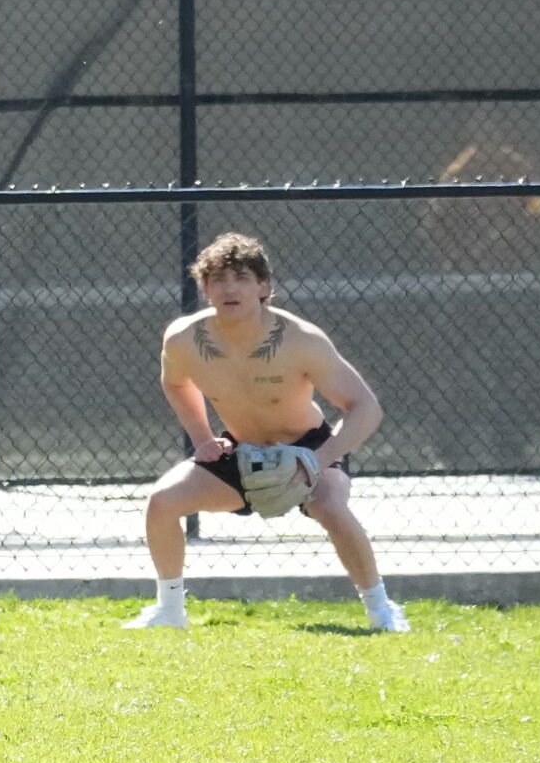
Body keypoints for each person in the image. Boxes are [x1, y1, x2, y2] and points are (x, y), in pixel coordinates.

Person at [128, 230, 404, 633]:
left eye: (241, 277)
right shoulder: (184, 339)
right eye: (218, 279)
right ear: (205, 288)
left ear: (263, 287)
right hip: (240, 448)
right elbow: (175, 383)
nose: (229, 288)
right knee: (162, 503)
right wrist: (203, 439)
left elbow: (366, 407)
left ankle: (382, 611)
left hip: (308, 446)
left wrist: (315, 461)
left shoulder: (302, 340)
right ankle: (169, 611)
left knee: (330, 508)